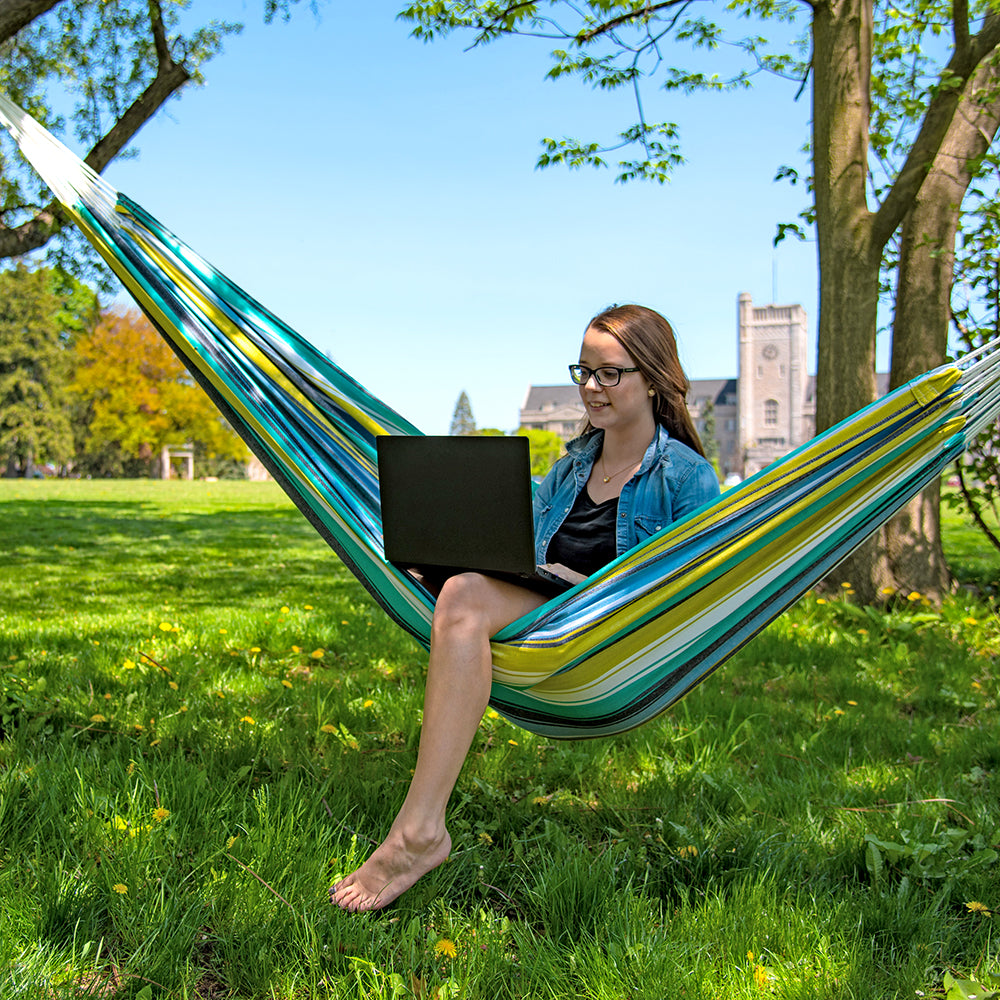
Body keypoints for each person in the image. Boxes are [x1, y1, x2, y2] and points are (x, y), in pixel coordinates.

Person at [330, 304, 720, 913]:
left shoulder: (687, 478)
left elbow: (692, 591)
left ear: (652, 378)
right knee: (455, 584)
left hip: (609, 635)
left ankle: (419, 833)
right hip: (543, 614)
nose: (590, 387)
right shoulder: (568, 468)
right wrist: (444, 557)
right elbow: (520, 552)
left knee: (462, 596)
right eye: (583, 371)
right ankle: (420, 830)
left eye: (609, 373)